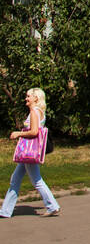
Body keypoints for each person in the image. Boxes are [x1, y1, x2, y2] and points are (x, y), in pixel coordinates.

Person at [0, 88, 60, 218]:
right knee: (15, 179)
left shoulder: (34, 111)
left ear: (36, 98)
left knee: (36, 180)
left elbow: (34, 132)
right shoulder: (39, 111)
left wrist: (18, 133)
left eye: (28, 96)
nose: (26, 99)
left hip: (29, 152)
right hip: (29, 152)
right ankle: (5, 211)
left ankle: (52, 206)